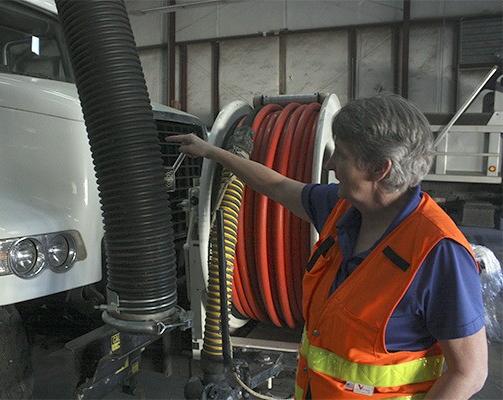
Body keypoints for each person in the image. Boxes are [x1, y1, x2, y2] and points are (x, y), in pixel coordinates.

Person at [166, 93, 488, 399]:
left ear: (380, 169)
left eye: (342, 155)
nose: (331, 164)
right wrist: (212, 152)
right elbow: (276, 185)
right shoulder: (344, 209)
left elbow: (470, 372)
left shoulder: (439, 253)